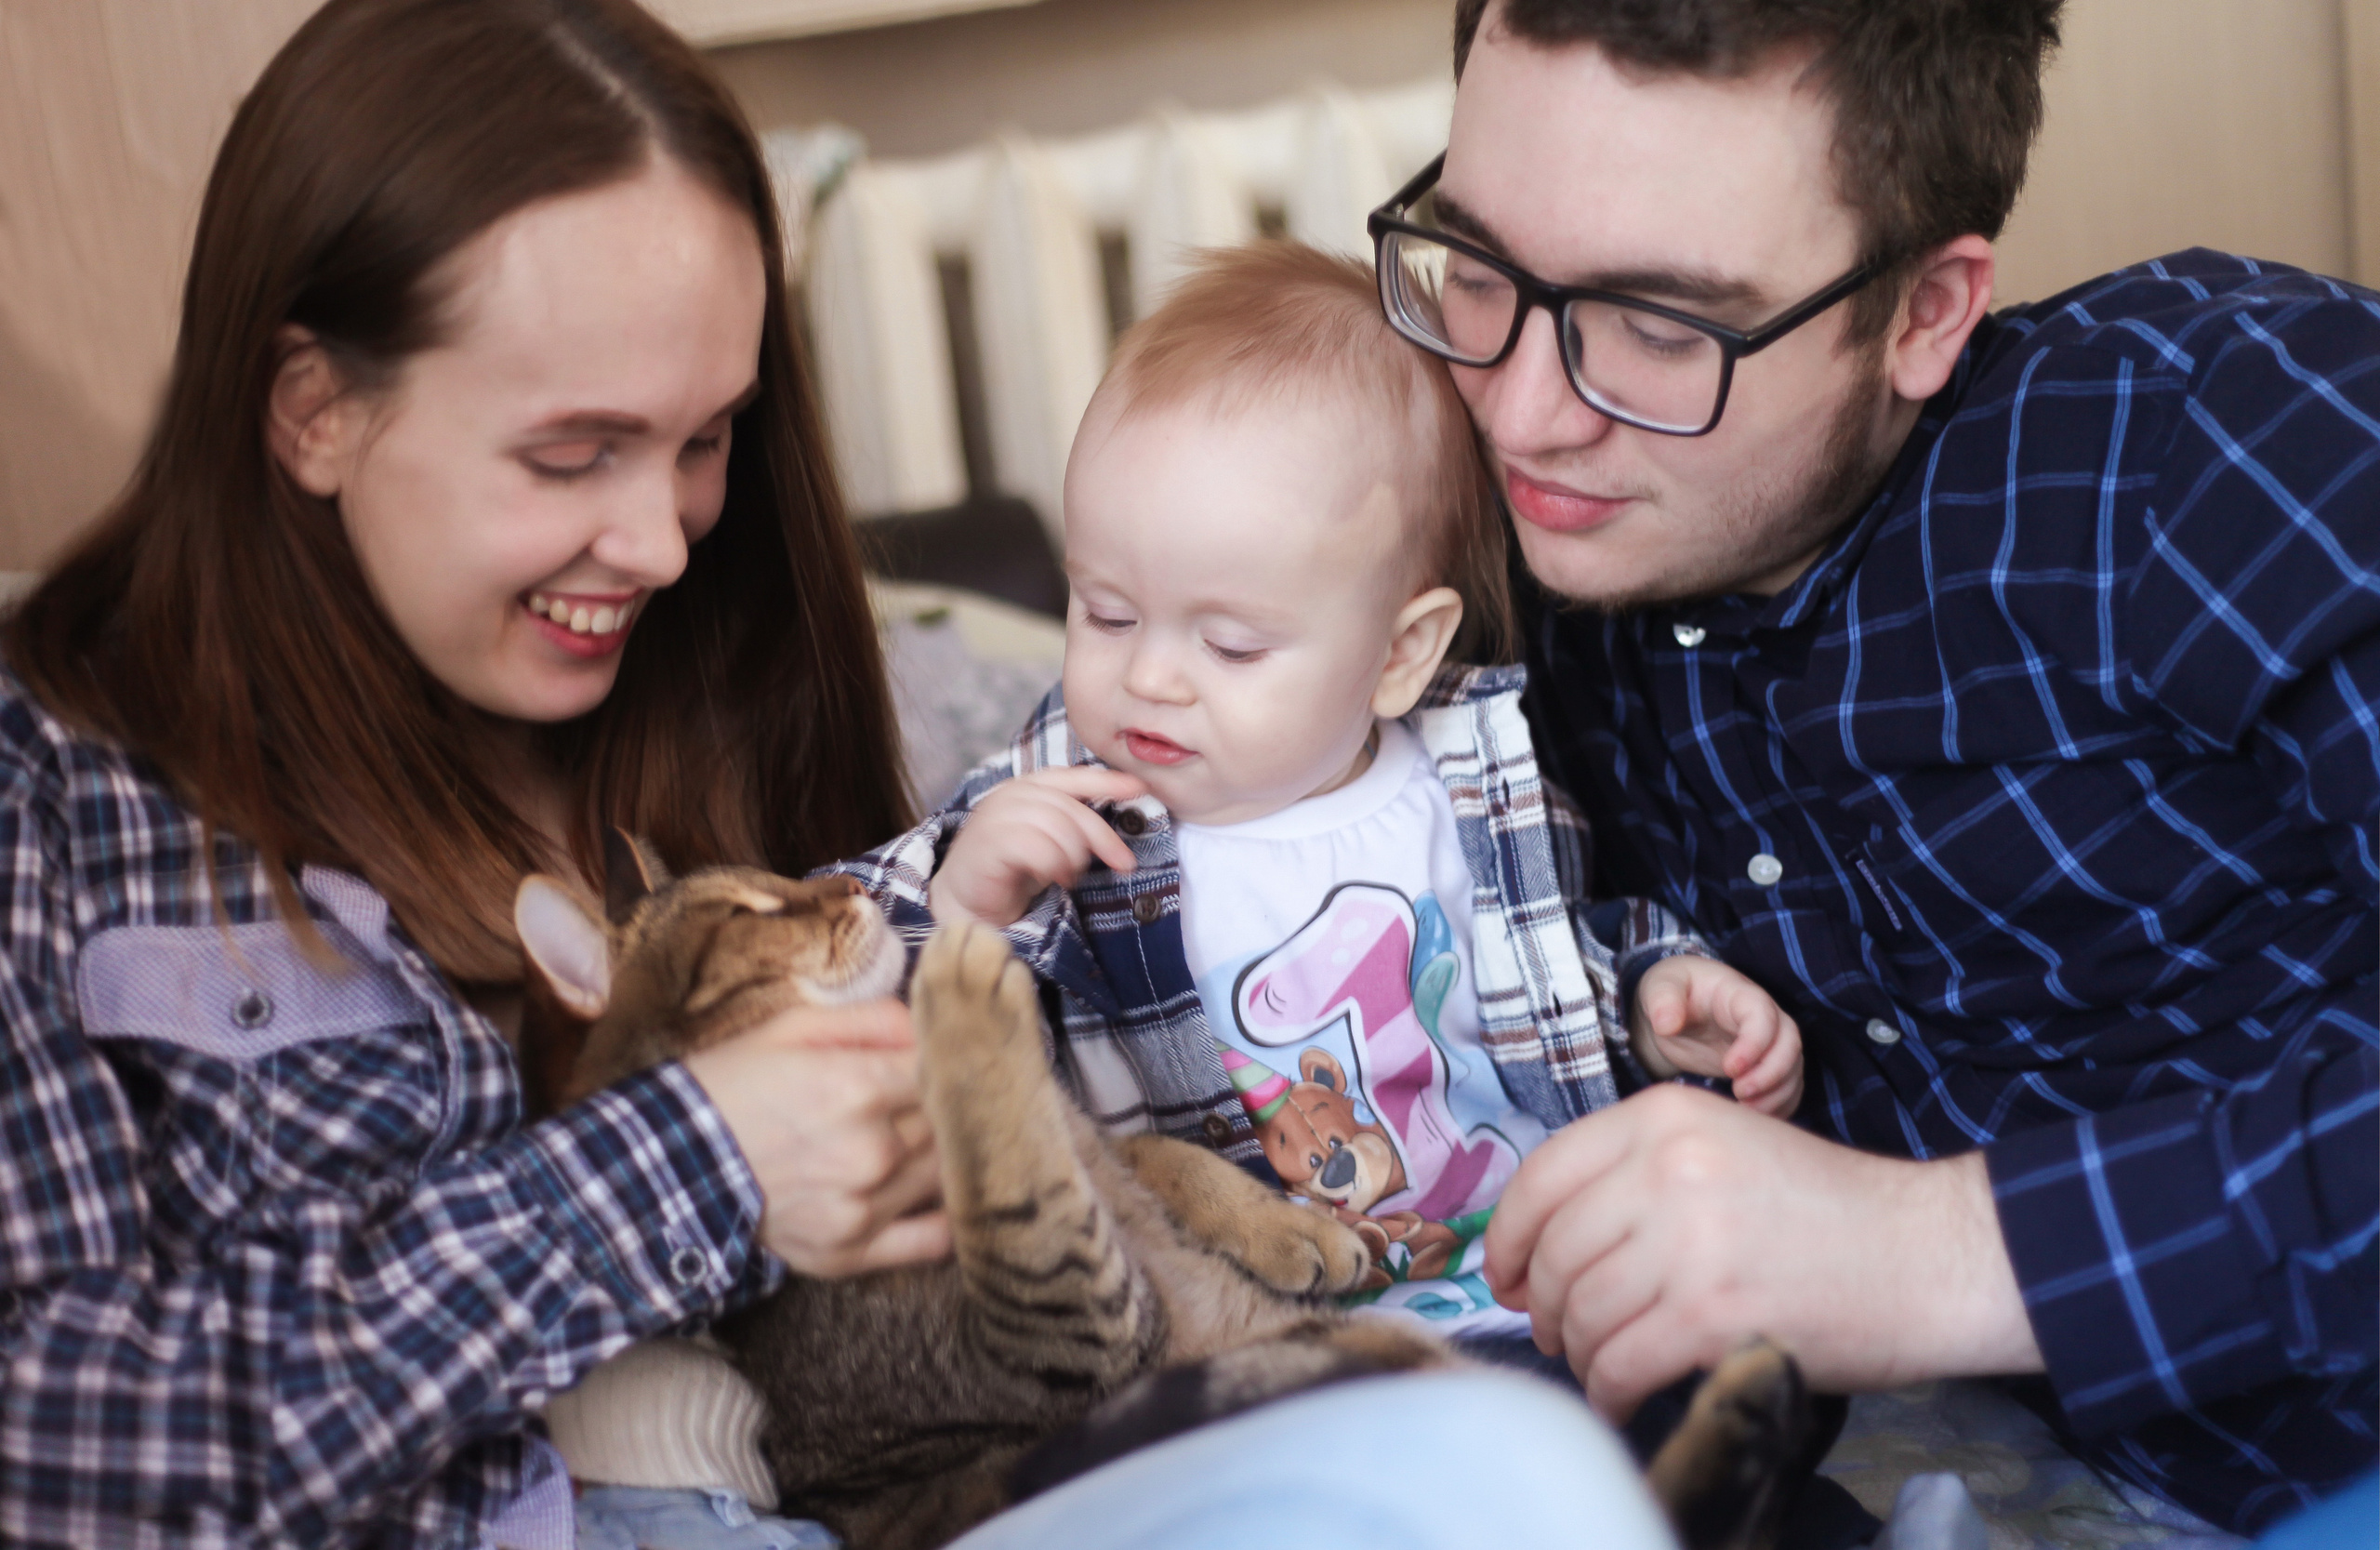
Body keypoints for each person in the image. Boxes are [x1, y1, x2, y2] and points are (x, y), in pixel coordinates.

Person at [0, 2, 1685, 1545]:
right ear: (312, 409)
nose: (662, 539)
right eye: (570, 451)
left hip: (915, 1473)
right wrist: (697, 1158)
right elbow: (47, 1431)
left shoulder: (707, 680)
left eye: (708, 436)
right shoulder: (56, 803)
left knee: (1495, 1472)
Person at [1373, 0, 2377, 1535]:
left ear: (1925, 312)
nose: (1521, 411)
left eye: (1663, 327)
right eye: (1483, 263)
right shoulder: (1514, 562)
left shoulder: (2227, 443)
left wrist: (1931, 1254)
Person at [841, 241, 1805, 1339]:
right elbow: (840, 964)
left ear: (1399, 654)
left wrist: (1650, 996)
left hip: (1527, 1281)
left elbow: (1551, 966)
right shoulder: (1057, 800)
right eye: (1104, 612)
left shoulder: (1467, 782)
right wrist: (967, 909)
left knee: (1711, 1384)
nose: (1147, 674)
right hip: (1251, 1330)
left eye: (1234, 644)